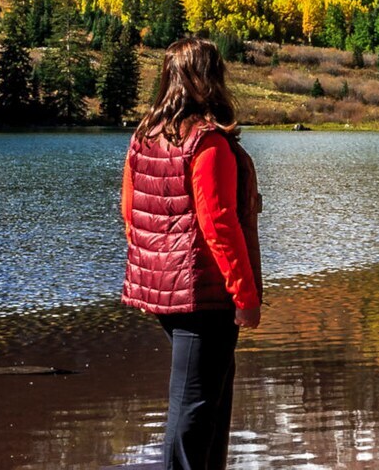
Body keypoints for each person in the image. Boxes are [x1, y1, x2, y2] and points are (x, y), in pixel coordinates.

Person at [120, 37, 262, 470]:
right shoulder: (207, 144)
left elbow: (129, 212)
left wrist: (157, 268)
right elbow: (219, 224)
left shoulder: (145, 137)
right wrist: (246, 296)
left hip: (168, 291)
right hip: (205, 297)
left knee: (210, 403)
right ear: (207, 79)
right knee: (194, 412)